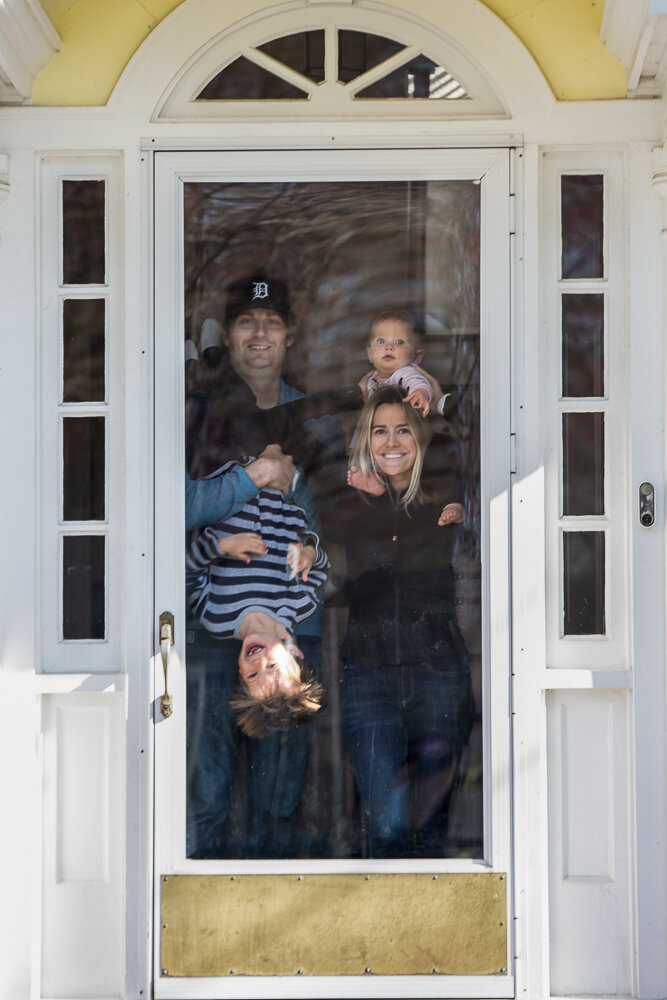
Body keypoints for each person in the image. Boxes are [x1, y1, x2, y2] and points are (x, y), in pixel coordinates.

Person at [185, 274, 330, 859]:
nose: (260, 332)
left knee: (278, 774)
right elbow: (174, 507)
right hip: (207, 637)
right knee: (208, 772)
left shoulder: (312, 416)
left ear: (290, 335)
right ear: (230, 335)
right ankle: (199, 869)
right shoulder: (200, 411)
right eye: (247, 321)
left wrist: (310, 539)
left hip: (286, 629)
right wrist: (257, 477)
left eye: (272, 322)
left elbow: (326, 511)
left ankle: (272, 873)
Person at [326, 386, 474, 858]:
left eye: (403, 431)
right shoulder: (350, 497)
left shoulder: (446, 493)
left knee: (429, 829)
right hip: (368, 676)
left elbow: (420, 535)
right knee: (386, 826)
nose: (391, 442)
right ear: (365, 441)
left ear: (422, 438)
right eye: (379, 431)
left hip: (438, 672)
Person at [185, 462, 329, 734]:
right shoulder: (300, 605)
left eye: (252, 675)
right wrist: (310, 553)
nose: (258, 663)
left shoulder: (216, 618)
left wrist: (220, 546)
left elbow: (186, 574)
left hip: (227, 475)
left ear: (240, 672)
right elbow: (321, 568)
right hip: (285, 488)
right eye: (272, 666)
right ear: (294, 653)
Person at [364, 309, 433, 414]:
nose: (388, 347)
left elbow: (417, 383)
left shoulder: (405, 374)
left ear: (417, 357)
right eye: (381, 341)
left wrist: (420, 394)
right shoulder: (372, 379)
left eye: (399, 342)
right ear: (370, 354)